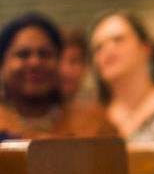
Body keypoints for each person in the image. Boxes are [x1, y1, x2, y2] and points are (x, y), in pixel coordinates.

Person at [0, 12, 116, 140]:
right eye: (23, 54)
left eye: (44, 54)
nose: (35, 62)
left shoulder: (93, 123)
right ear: (2, 64)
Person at [90, 11, 154, 140]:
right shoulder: (94, 119)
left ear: (145, 48)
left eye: (118, 39)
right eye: (99, 47)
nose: (108, 49)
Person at [59, 28, 90, 102]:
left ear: (86, 68)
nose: (66, 70)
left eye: (74, 62)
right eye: (59, 61)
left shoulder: (97, 110)